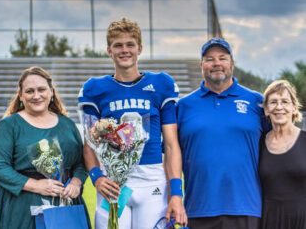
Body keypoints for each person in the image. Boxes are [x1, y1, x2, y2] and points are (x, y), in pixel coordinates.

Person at [78, 18, 187, 228]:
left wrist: (176, 193)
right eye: (118, 45)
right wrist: (97, 177)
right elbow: (89, 143)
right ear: (109, 50)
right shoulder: (95, 89)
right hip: (113, 183)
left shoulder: (161, 84)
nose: (124, 50)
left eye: (130, 45)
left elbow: (172, 144)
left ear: (140, 49)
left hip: (152, 180)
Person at [177, 37, 268, 229]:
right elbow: (170, 155)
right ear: (202, 65)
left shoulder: (256, 102)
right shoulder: (183, 106)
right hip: (197, 209)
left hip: (246, 208)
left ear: (232, 64)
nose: (216, 63)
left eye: (222, 58)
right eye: (209, 59)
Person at [0, 66, 90, 229]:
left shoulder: (68, 124)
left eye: (41, 89)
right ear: (20, 95)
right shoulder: (9, 125)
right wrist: (36, 185)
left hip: (65, 203)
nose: (36, 96)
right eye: (29, 91)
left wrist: (76, 183)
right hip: (21, 205)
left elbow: (80, 163)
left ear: (51, 92)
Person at [259, 80, 305, 229]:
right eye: (273, 102)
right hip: (267, 220)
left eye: (285, 101)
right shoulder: (258, 143)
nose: (279, 107)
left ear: (294, 107)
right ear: (266, 109)